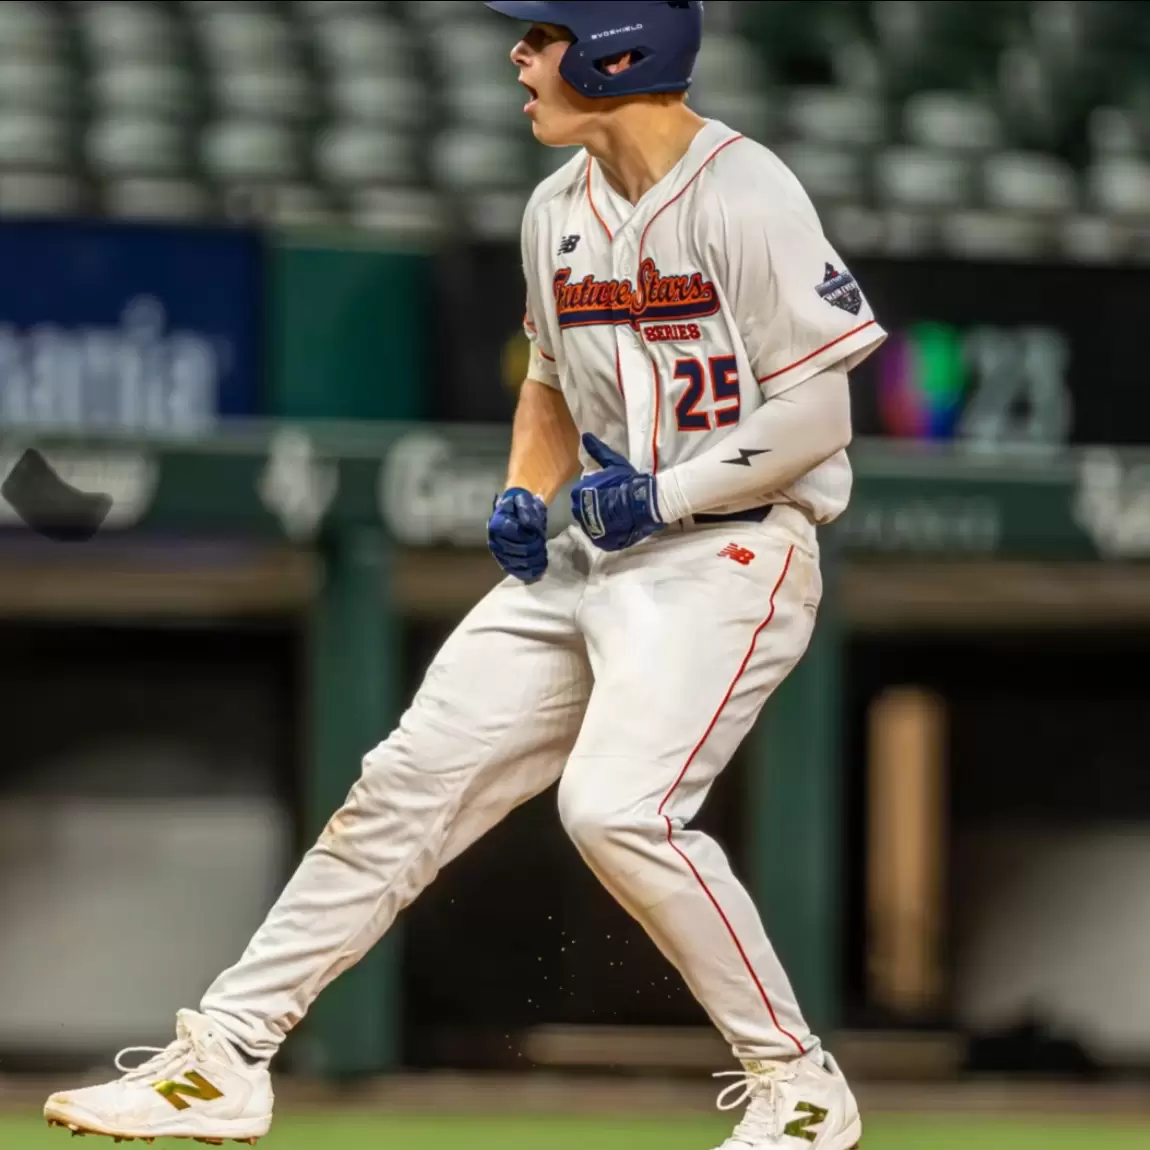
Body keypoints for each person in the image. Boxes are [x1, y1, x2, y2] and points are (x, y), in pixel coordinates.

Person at [44, 4, 884, 1147]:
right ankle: (227, 1056)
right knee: (400, 787)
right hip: (595, 548)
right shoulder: (555, 208)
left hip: (728, 551)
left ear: (620, 50)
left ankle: (797, 1082)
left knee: (617, 811)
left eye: (542, 34)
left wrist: (668, 494)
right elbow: (548, 383)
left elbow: (818, 416)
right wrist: (522, 490)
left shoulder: (747, 192)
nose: (519, 57)